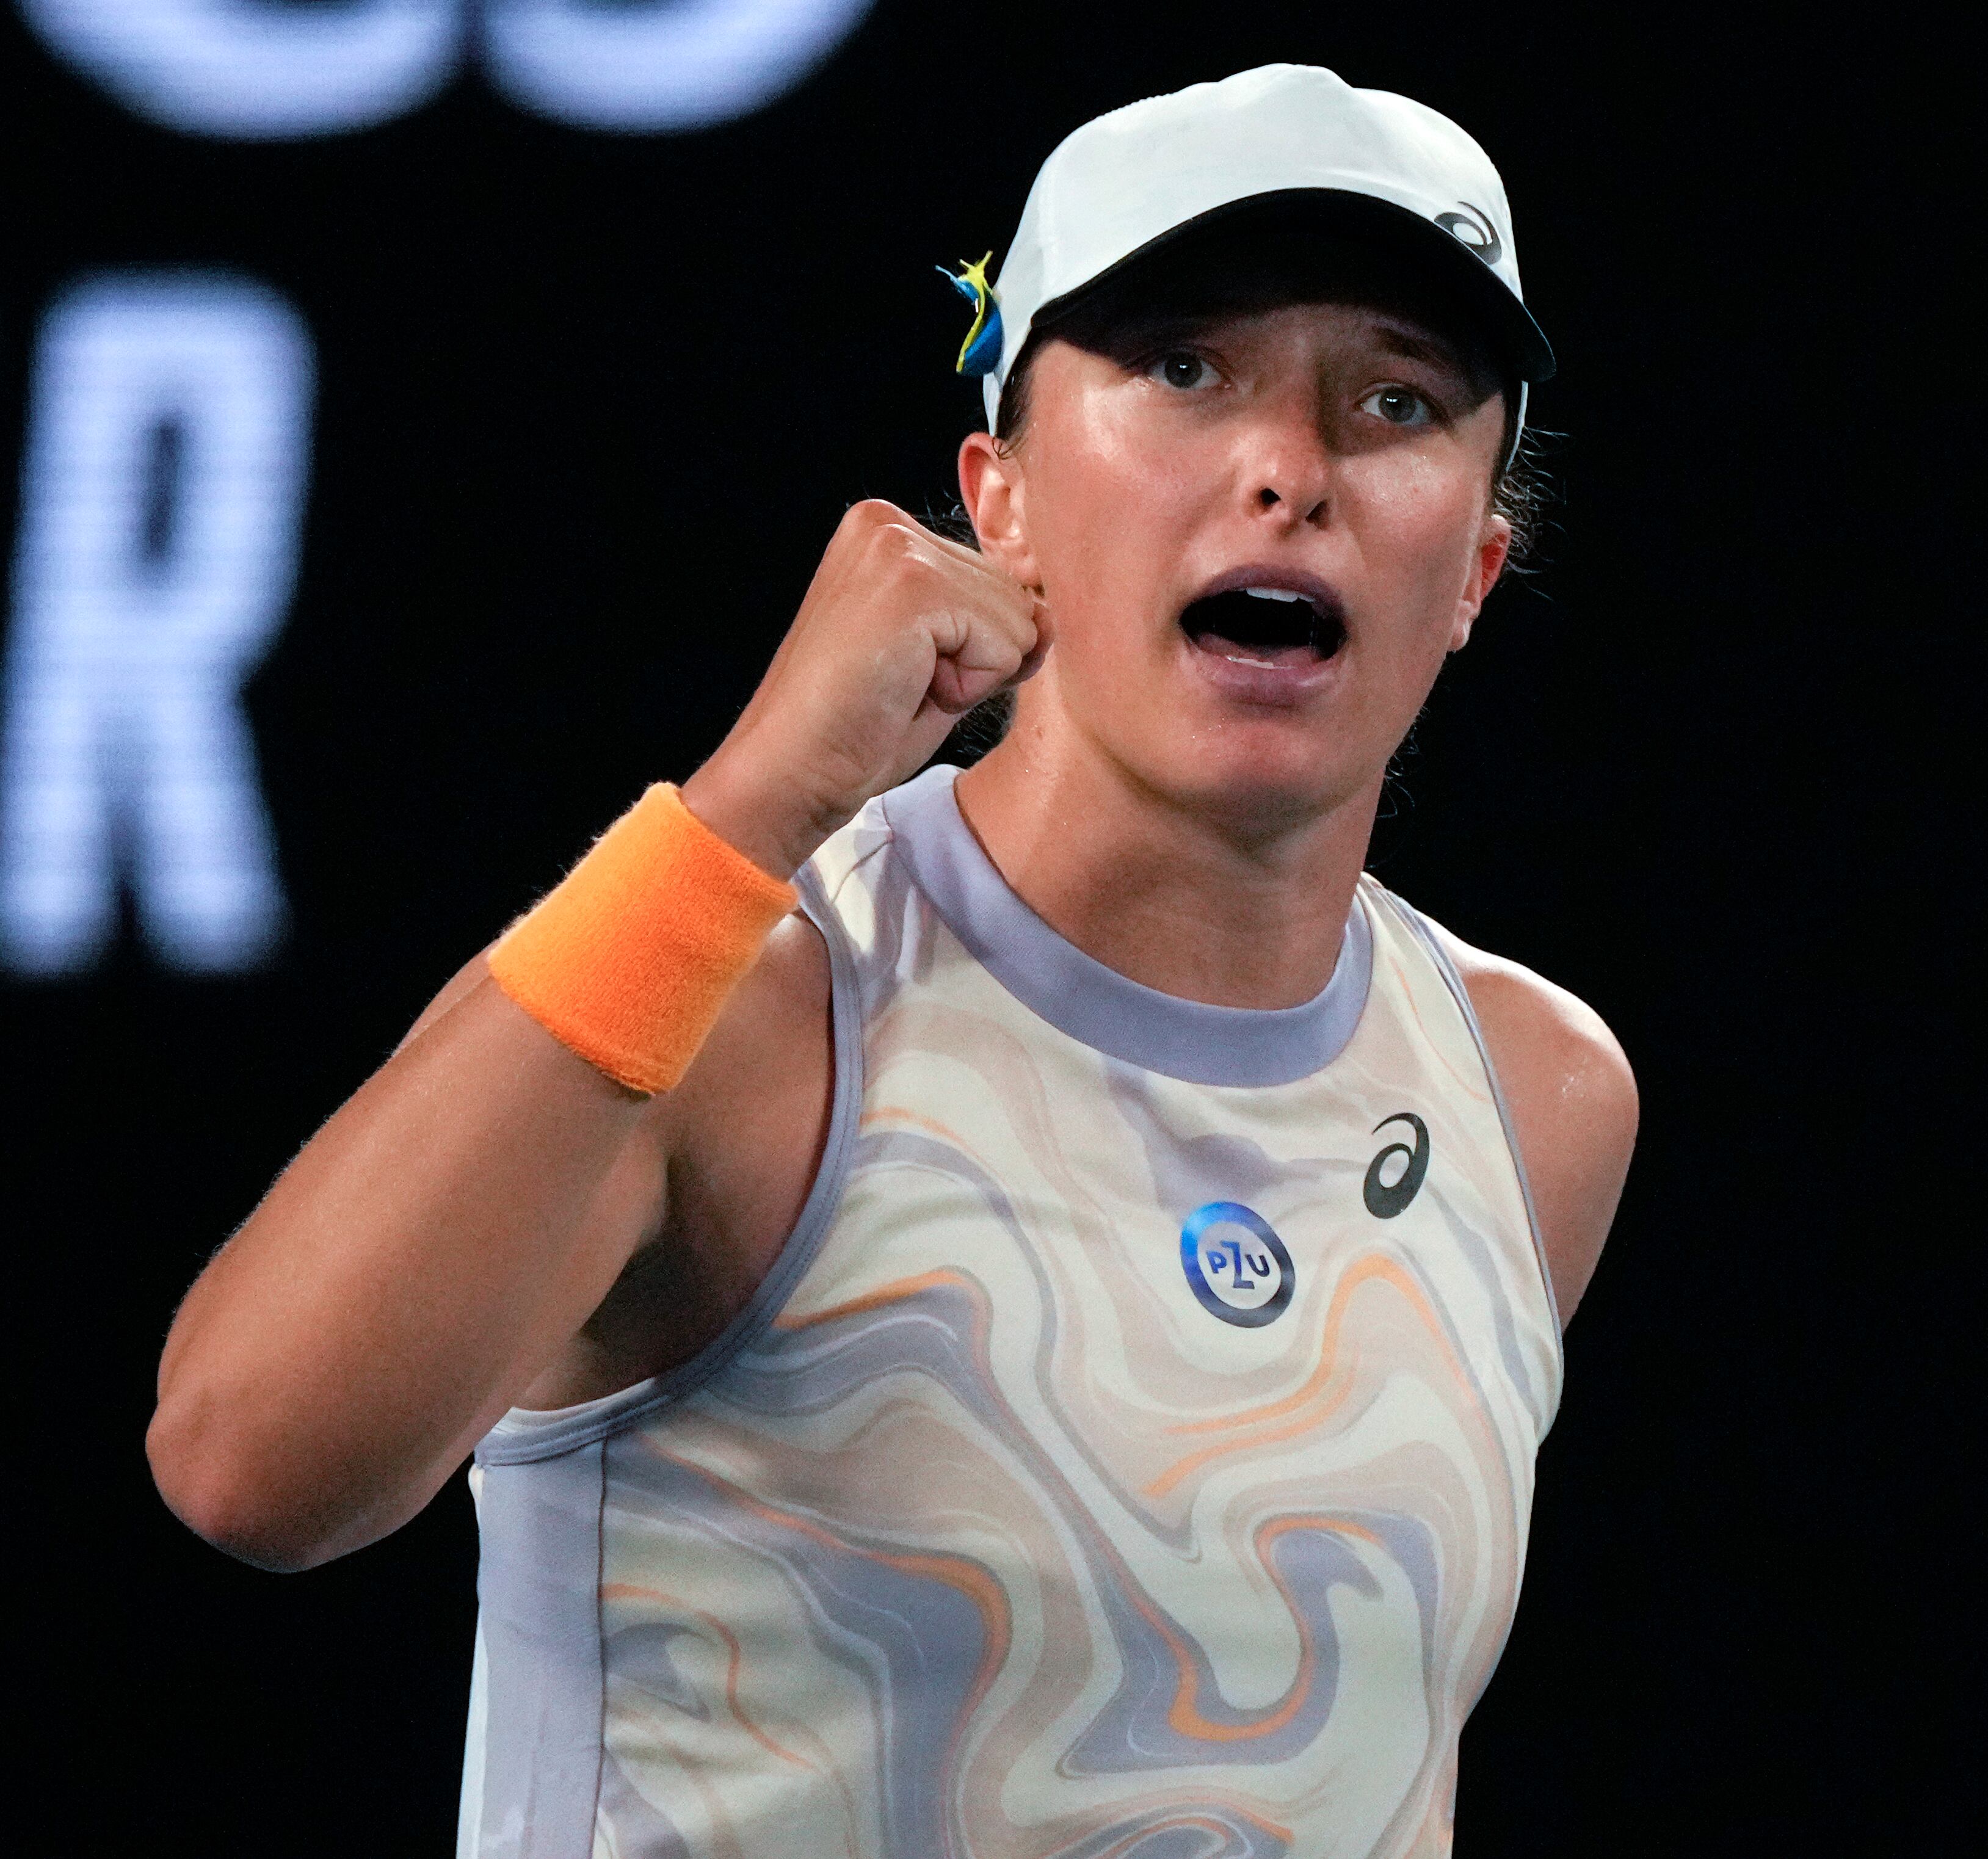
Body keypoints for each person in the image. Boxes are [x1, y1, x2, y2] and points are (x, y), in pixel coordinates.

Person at [148, 64, 1634, 1857]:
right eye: (1182, 369)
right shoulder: (747, 997)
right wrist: (753, 801)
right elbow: (249, 1464)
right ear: (994, 494)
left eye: (1394, 399)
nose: (1287, 468)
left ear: (1474, 565)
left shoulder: (1529, 1096)